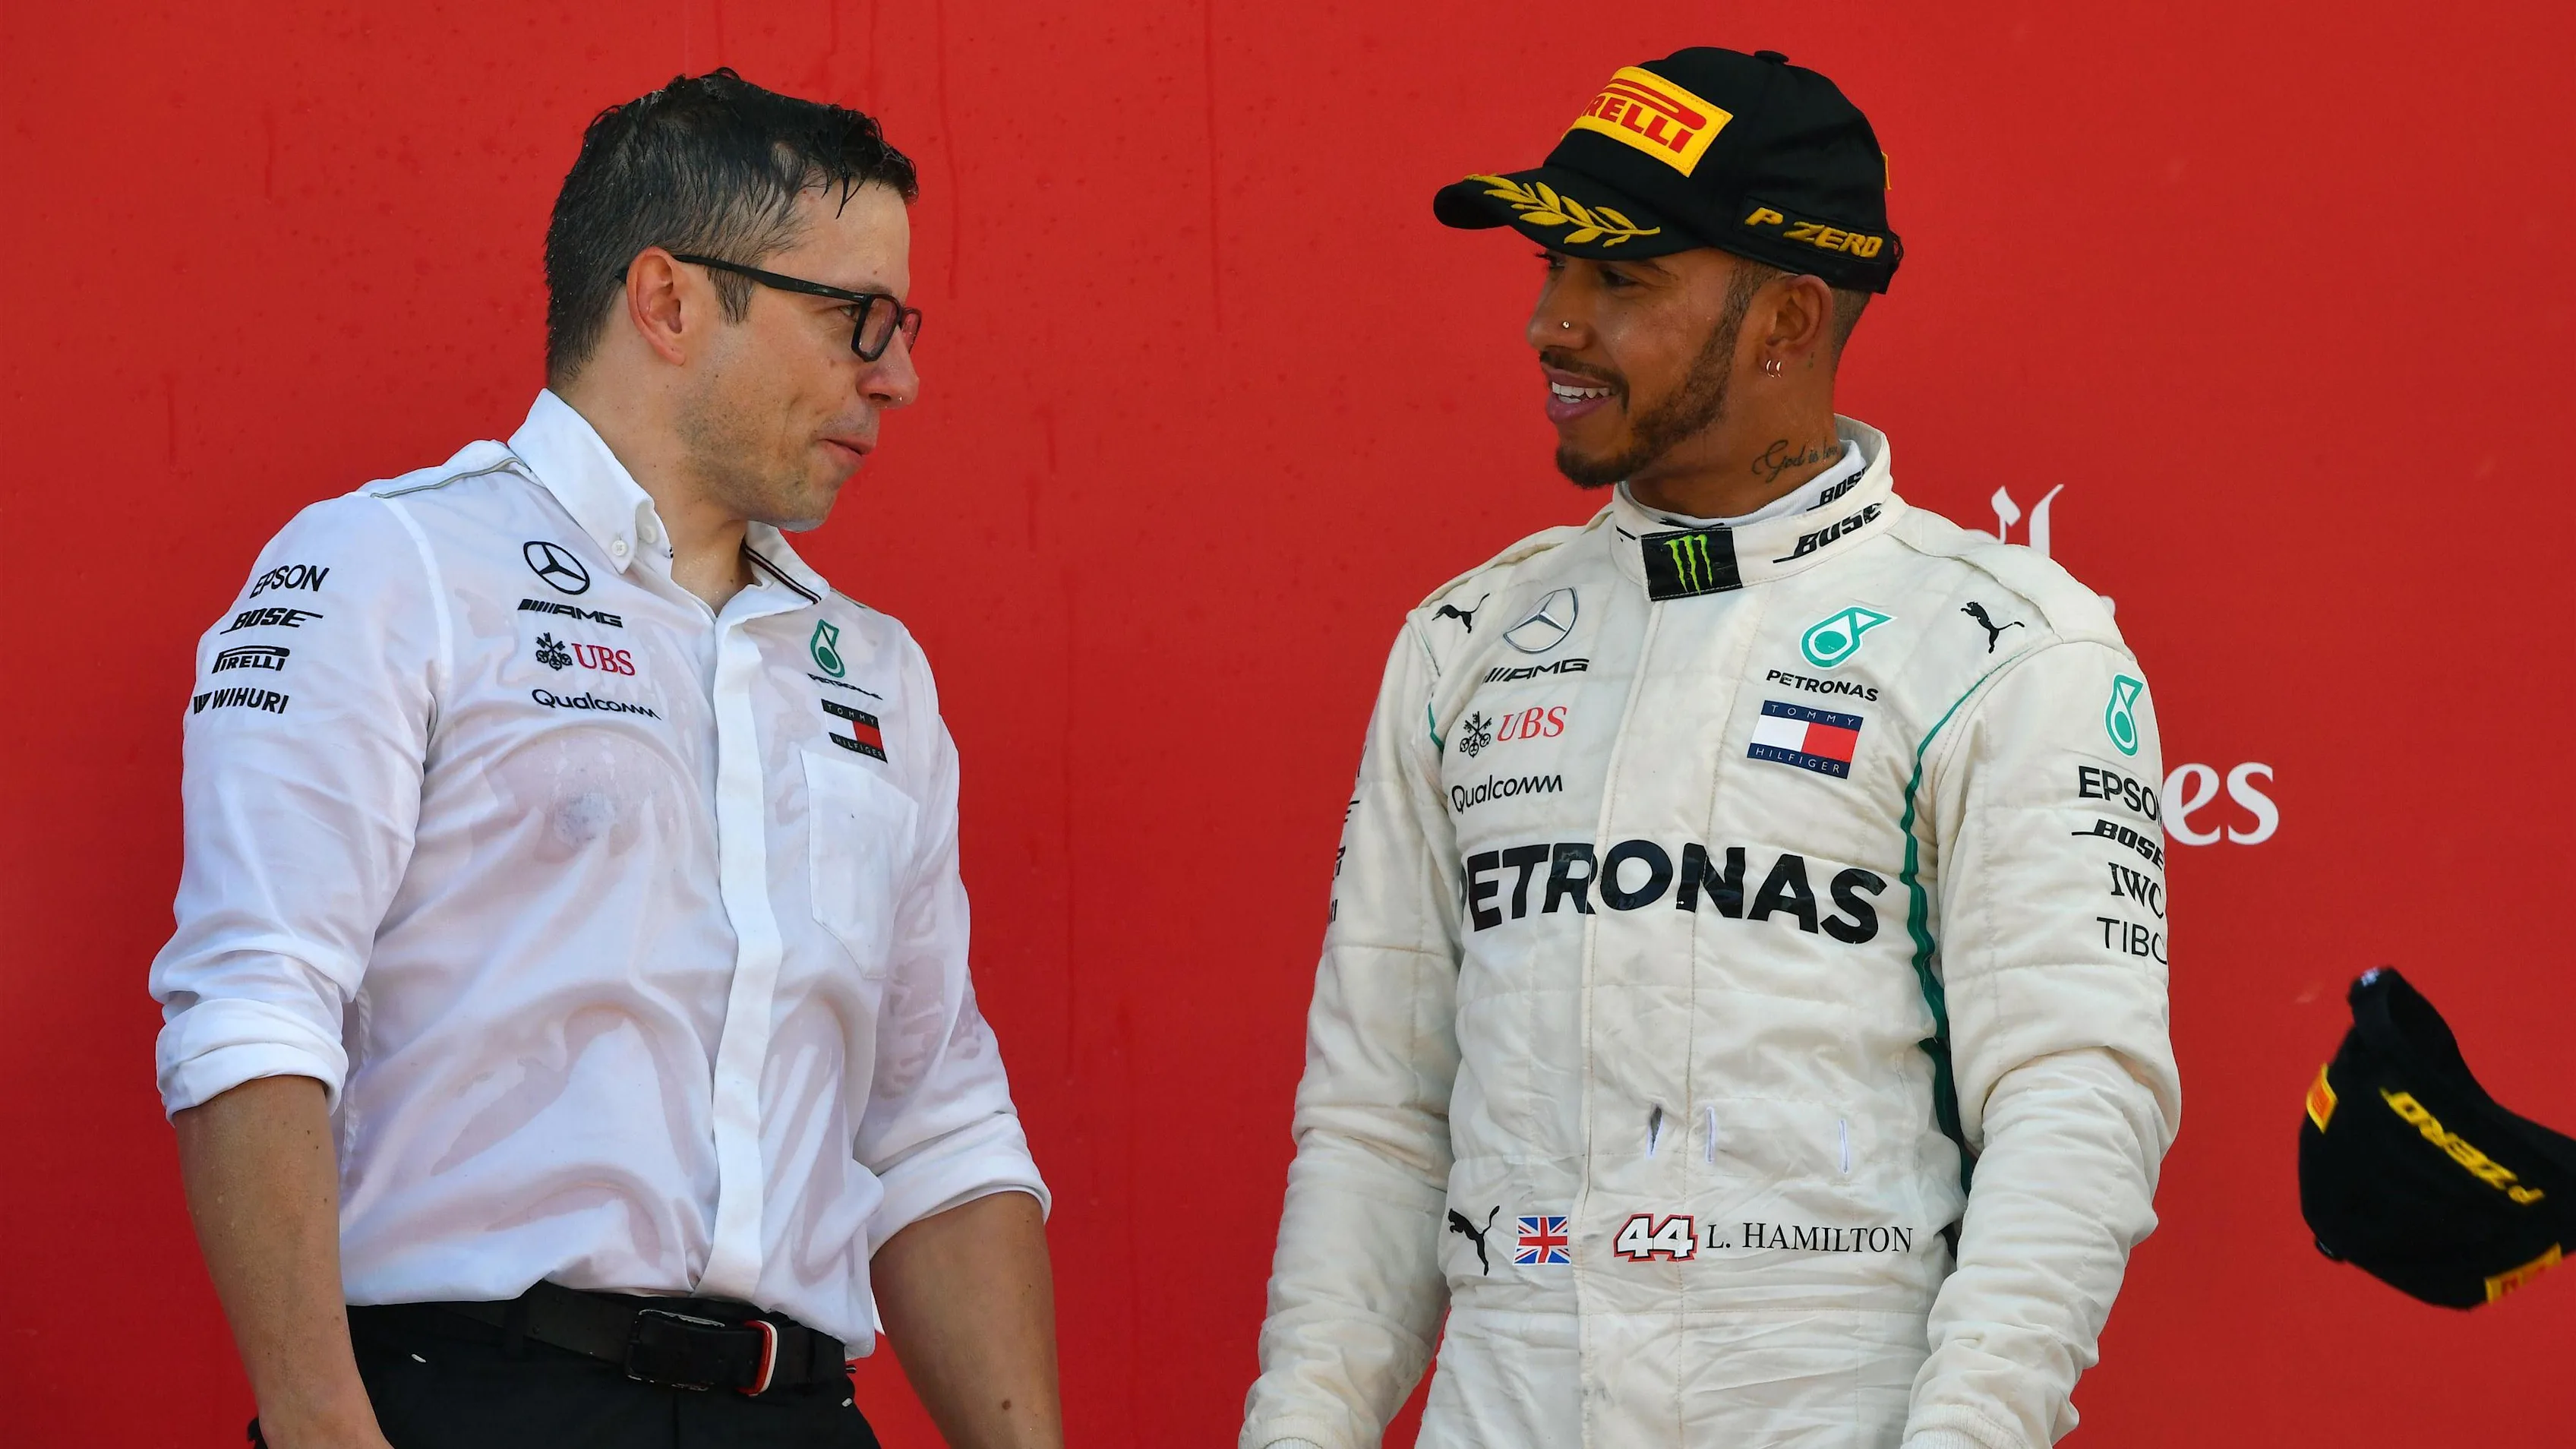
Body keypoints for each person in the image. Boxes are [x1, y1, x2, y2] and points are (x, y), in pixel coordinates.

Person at [1240, 47, 2179, 1449]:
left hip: (1836, 1402)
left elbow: (2073, 1102)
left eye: (1620, 279)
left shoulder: (2007, 649)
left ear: (1787, 319)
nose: (1552, 325)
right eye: (1552, 270)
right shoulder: (1464, 642)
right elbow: (1379, 1119)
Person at [153, 72, 1060, 1449]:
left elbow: (936, 1123)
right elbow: (252, 1008)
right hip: (471, 1396)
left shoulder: (876, 670)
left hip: (801, 1413)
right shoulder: (385, 568)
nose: (899, 377)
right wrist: (320, 1423)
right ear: (669, 300)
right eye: (857, 318)